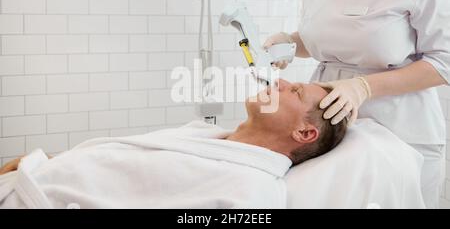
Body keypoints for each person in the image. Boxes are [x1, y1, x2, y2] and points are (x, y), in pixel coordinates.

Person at [264, 0, 450, 208]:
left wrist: (363, 87)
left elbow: (444, 62)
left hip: (400, 124)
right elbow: (336, 38)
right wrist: (289, 43)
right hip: (331, 122)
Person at [0, 80, 347, 208]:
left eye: (296, 92)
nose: (283, 81)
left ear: (305, 133)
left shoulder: (253, 194)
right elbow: (125, 164)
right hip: (29, 179)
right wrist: (48, 163)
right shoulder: (204, 135)